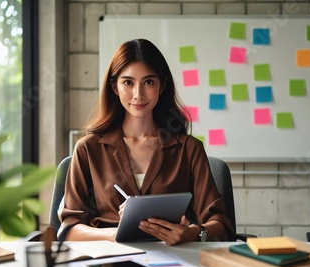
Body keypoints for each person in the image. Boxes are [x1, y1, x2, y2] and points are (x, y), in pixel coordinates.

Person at [57, 38, 235, 245]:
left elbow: (220, 224)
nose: (138, 95)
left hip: (175, 263)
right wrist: (115, 234)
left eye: (148, 82)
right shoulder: (88, 149)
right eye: (128, 83)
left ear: (162, 85)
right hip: (111, 263)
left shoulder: (188, 149)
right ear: (114, 86)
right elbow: (69, 228)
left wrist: (192, 233)